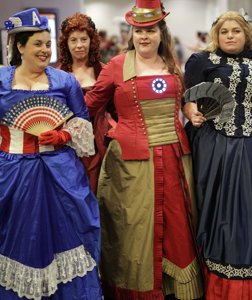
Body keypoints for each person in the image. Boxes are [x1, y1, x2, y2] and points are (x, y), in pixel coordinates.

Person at [85, 0, 203, 299]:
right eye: (139, 31)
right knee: (135, 227)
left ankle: (172, 285)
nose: (144, 36)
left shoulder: (172, 65)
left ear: (161, 32)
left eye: (150, 30)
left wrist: (190, 111)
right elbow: (90, 106)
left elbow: (183, 100)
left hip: (175, 156)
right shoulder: (116, 66)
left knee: (176, 223)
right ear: (131, 33)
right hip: (131, 163)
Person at [183, 9, 252, 300]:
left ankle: (248, 267)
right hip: (212, 143)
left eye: (235, 30)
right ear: (215, 35)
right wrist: (193, 113)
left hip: (251, 145)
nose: (229, 36)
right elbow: (186, 96)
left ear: (246, 33)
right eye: (224, 31)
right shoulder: (201, 61)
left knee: (248, 204)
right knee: (215, 205)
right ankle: (215, 267)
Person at [0, 8, 101, 299]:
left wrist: (63, 134)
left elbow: (81, 124)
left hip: (60, 171)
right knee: (18, 237)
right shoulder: (2, 81)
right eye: (38, 44)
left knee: (71, 230)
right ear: (20, 47)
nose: (45, 50)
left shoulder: (64, 81)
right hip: (13, 171)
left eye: (48, 44)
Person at [58, 12, 113, 194]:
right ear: (66, 44)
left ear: (92, 41)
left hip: (102, 139)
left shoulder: (105, 71)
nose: (79, 45)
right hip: (68, 142)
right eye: (73, 40)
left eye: (84, 39)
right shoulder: (57, 76)